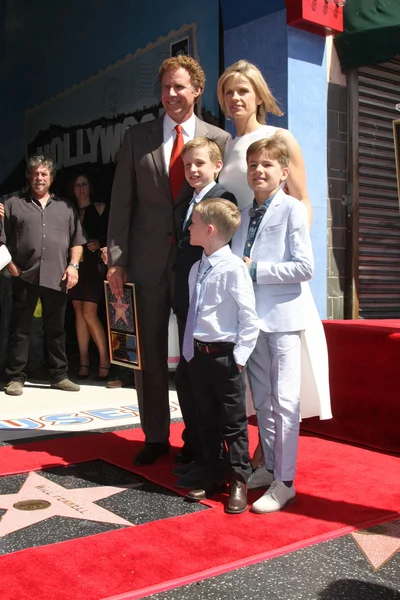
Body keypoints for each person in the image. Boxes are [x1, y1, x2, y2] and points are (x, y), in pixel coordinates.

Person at [107, 55, 230, 466]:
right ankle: (155, 436)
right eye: (165, 88)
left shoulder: (219, 139)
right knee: (149, 355)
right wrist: (117, 260)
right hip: (145, 264)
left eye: (179, 87)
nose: (171, 95)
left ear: (197, 89)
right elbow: (122, 203)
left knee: (198, 356)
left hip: (198, 265)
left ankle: (197, 440)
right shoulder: (136, 137)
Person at [217, 59, 331, 488]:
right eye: (228, 91)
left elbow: (301, 201)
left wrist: (281, 257)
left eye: (243, 90)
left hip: (275, 277)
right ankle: (265, 458)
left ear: (260, 95)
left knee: (284, 390)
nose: (235, 98)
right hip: (241, 272)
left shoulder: (278, 138)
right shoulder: (227, 144)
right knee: (257, 386)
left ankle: (280, 468)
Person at [232, 136, 313, 512]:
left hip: (282, 319)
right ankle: (268, 469)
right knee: (261, 400)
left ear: (283, 172)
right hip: (252, 323)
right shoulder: (244, 215)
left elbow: (305, 268)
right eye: (253, 165)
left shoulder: (293, 210)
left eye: (266, 165)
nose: (258, 171)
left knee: (285, 402)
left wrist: (257, 271)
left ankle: (287, 480)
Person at [182, 199, 259, 514]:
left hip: (226, 357)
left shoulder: (233, 270)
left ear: (209, 230)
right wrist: (190, 351)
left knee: (233, 423)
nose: (189, 227)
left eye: (194, 223)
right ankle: (213, 474)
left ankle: (239, 479)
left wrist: (238, 359)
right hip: (199, 355)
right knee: (206, 419)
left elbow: (249, 318)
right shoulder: (196, 268)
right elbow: (194, 311)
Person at [173, 137, 237, 472]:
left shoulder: (222, 199)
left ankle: (214, 455)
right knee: (186, 377)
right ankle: (196, 443)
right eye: (187, 165)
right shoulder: (186, 200)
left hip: (206, 306)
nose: (193, 170)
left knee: (201, 381)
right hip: (186, 301)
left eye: (200, 163)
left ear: (217, 165)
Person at [0, 155, 86, 396]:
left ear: (51, 177)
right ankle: (15, 377)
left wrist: (73, 266)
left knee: (56, 330)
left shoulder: (66, 207)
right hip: (23, 276)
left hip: (57, 278)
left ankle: (59, 376)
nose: (39, 178)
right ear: (29, 176)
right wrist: (12, 268)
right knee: (20, 329)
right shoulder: (12, 204)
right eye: (35, 173)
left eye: (44, 174)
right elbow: (1, 241)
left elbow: (77, 242)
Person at [68, 173, 110, 380]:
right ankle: (84, 361)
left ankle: (104, 360)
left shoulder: (100, 207)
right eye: (77, 185)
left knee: (89, 313)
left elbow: (111, 233)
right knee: (78, 311)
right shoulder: (69, 211)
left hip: (93, 266)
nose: (81, 188)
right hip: (75, 267)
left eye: (84, 184)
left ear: (90, 187)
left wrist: (98, 241)